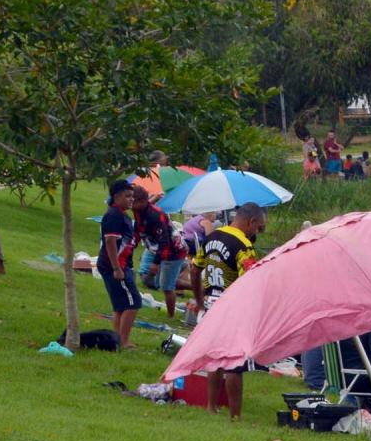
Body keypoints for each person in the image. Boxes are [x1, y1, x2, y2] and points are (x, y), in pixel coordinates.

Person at [192, 202, 268, 419]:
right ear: (251, 222)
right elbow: (249, 282)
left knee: (215, 359)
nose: (257, 232)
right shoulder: (244, 246)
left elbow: (195, 269)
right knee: (234, 365)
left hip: (210, 305)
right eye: (259, 227)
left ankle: (211, 406)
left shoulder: (212, 236)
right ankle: (235, 415)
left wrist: (199, 301)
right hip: (232, 308)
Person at [131, 186, 187, 320]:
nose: (131, 204)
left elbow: (165, 242)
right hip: (160, 249)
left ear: (143, 201)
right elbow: (138, 229)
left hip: (174, 251)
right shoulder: (138, 210)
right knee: (162, 283)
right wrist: (132, 245)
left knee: (167, 287)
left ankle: (171, 316)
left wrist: (156, 263)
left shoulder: (155, 215)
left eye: (133, 201)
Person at [98, 179, 141, 349]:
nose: (131, 199)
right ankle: (123, 341)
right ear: (116, 197)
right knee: (133, 302)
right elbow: (110, 241)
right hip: (116, 265)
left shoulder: (121, 214)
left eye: (133, 196)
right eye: (128, 196)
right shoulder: (114, 216)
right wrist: (116, 267)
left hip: (120, 264)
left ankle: (116, 340)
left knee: (120, 305)